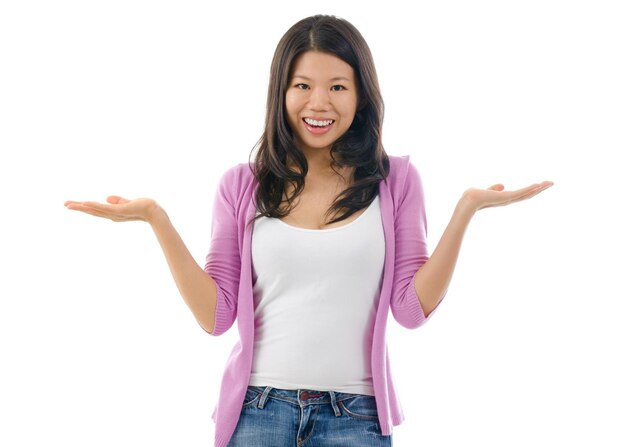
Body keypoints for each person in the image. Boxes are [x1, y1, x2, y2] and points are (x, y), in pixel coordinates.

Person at [64, 14, 553, 447]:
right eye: (302, 85)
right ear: (282, 91)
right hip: (257, 414)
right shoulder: (242, 185)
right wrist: (158, 220)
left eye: (338, 86)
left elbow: (410, 310)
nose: (319, 103)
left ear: (361, 95)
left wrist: (465, 211)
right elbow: (216, 316)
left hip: (356, 419)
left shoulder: (396, 181)